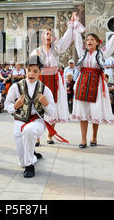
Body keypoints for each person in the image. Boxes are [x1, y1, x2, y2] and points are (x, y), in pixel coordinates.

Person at [71, 15, 114, 148]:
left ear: (97, 43)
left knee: (95, 111)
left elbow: (113, 42)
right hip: (83, 82)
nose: (89, 41)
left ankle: (94, 137)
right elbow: (77, 39)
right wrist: (76, 23)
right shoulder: (82, 53)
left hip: (96, 83)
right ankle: (83, 139)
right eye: (88, 40)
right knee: (83, 112)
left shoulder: (102, 54)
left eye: (92, 40)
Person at [30, 12, 83, 144]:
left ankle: (49, 135)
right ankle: (37, 136)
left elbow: (66, 39)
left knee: (53, 107)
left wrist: (71, 25)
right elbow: (30, 68)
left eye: (50, 34)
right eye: (46, 34)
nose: (48, 36)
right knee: (38, 107)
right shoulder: (36, 51)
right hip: (40, 80)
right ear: (42, 36)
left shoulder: (56, 48)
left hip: (54, 79)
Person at [4, 55, 57, 178]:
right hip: (20, 121)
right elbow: (7, 105)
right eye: (29, 70)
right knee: (21, 162)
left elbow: (52, 113)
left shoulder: (45, 89)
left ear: (40, 72)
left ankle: (30, 166)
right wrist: (16, 106)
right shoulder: (16, 87)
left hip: (37, 121)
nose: (31, 74)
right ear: (25, 69)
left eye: (35, 71)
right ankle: (30, 154)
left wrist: (46, 104)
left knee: (29, 130)